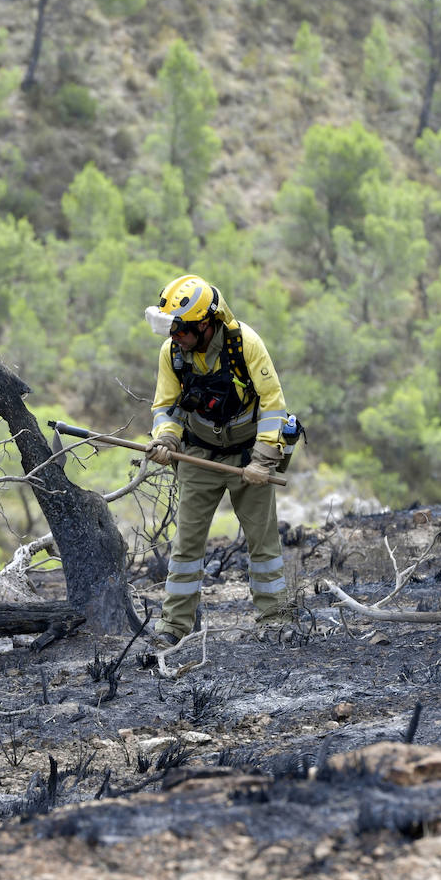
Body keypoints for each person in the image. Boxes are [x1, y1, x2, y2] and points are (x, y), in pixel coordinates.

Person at [143, 273, 292, 645]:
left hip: (246, 456)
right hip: (197, 454)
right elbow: (166, 406)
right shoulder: (172, 353)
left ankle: (273, 618)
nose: (173, 338)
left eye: (181, 330)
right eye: (171, 331)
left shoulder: (246, 344)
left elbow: (273, 404)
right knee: (186, 547)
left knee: (264, 542)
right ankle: (174, 627)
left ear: (206, 324)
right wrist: (166, 440)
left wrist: (262, 460)